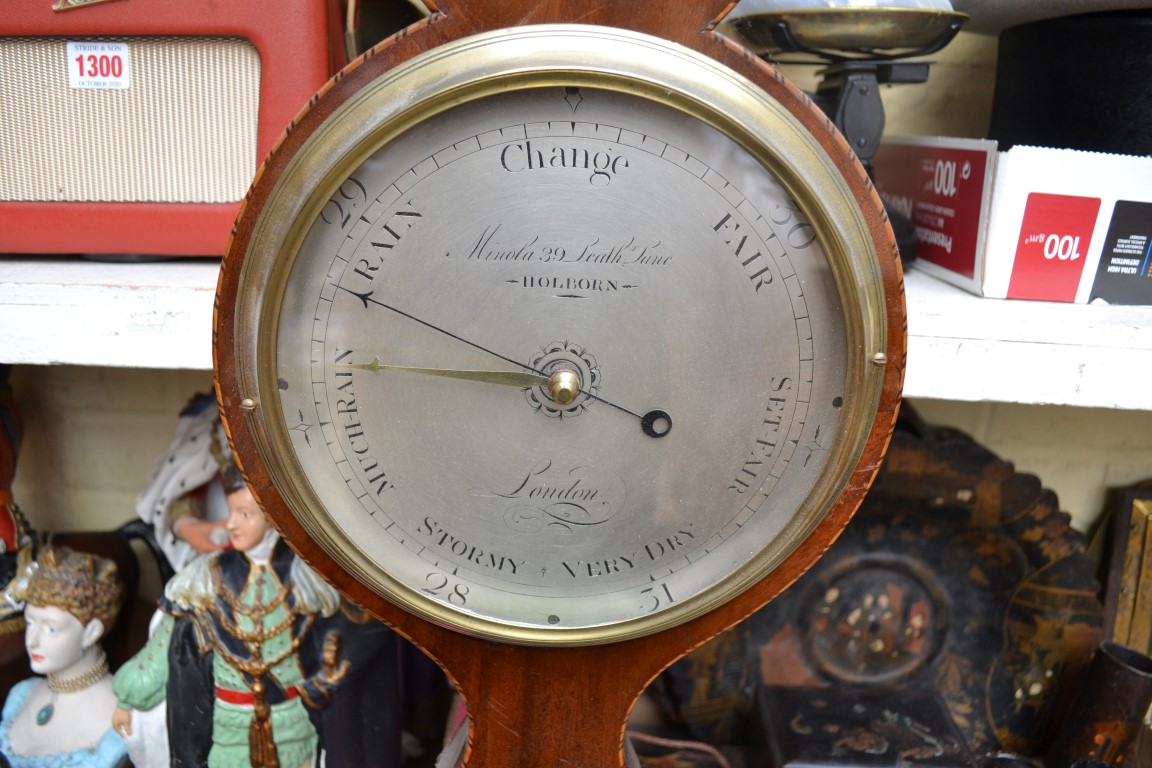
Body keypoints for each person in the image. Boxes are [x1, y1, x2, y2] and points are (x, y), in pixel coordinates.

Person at [111, 464, 348, 768]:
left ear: (275, 517)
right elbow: (162, 645)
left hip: (296, 727)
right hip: (230, 728)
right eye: (231, 512)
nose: (231, 524)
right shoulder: (204, 579)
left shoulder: (308, 580)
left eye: (245, 515)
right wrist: (128, 699)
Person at [0, 546, 127, 767]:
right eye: (30, 622)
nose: (32, 640)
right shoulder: (22, 695)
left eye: (51, 628)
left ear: (91, 633)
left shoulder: (119, 717)